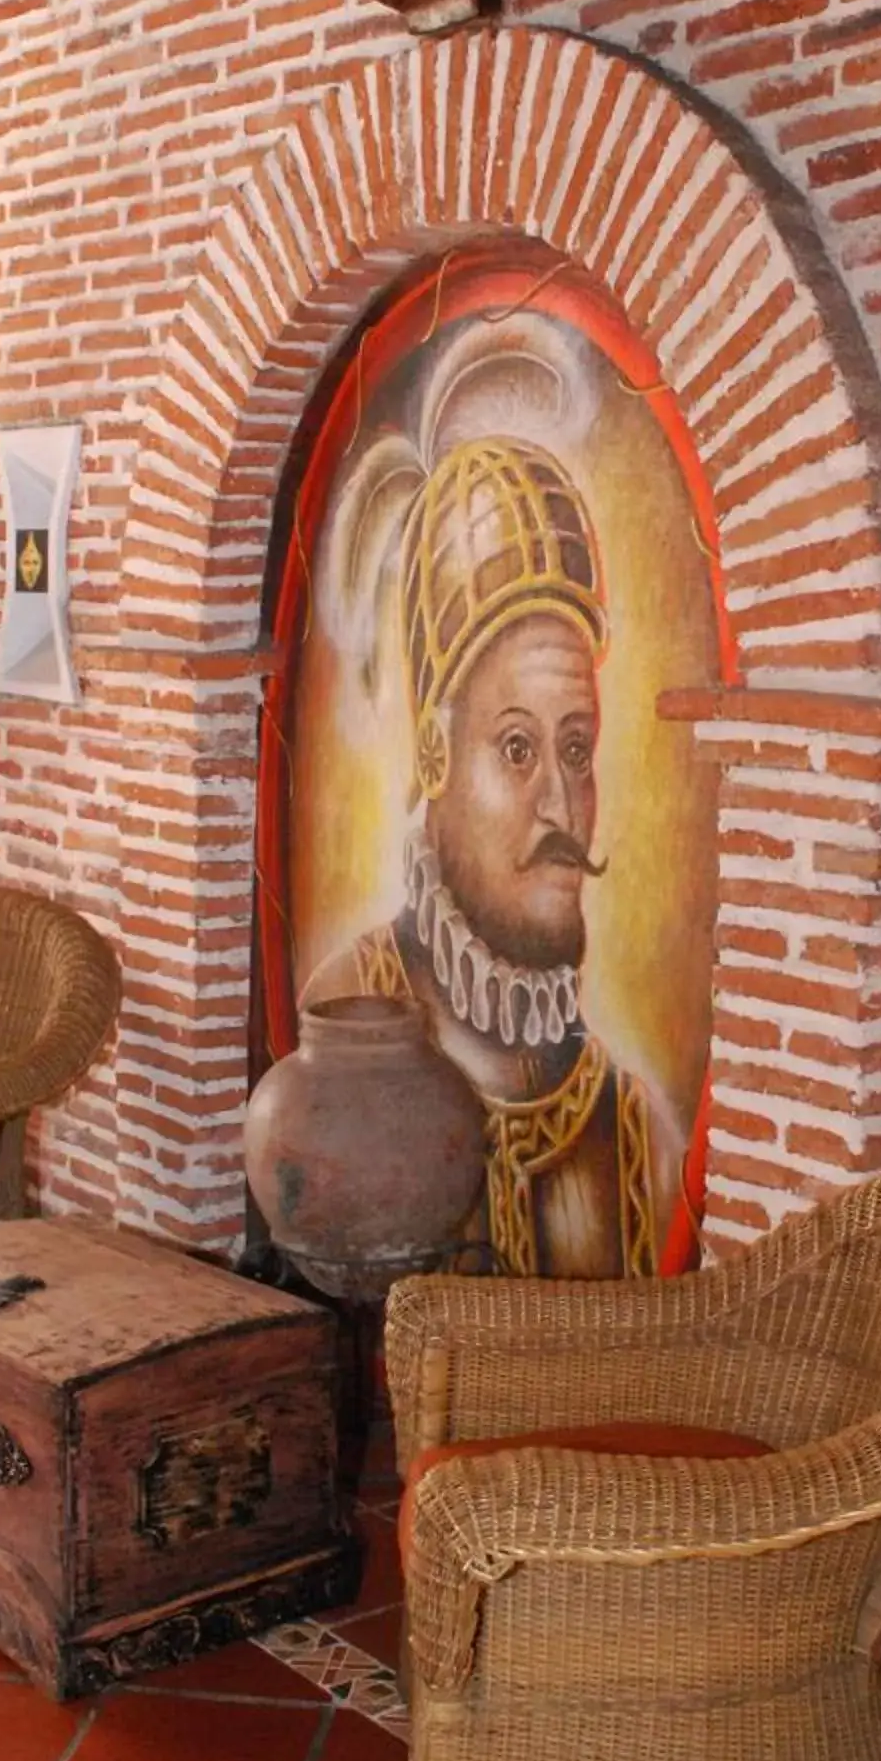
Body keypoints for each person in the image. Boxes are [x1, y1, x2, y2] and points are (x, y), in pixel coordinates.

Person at [300, 431, 674, 1278]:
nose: (560, 804)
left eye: (577, 750)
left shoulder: (627, 1123)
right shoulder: (346, 1010)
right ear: (434, 757)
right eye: (516, 748)